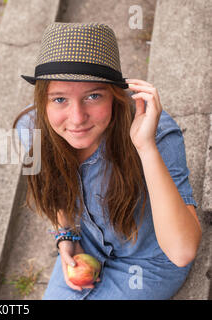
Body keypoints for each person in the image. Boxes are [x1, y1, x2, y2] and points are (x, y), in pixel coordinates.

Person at [13, 22, 202, 299]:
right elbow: (57, 189)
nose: (77, 118)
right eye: (60, 99)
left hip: (147, 264)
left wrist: (145, 147)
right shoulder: (33, 128)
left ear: (115, 95)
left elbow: (182, 251)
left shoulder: (157, 133)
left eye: (93, 96)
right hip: (86, 246)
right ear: (44, 101)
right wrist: (66, 236)